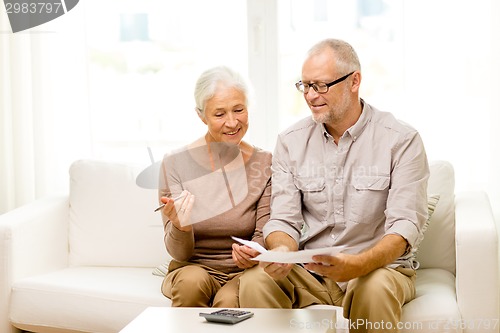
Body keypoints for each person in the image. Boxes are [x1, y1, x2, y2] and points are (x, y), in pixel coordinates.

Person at [239, 38, 429, 333]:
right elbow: (283, 219)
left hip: (375, 271)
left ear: (354, 81)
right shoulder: (290, 141)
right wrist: (281, 253)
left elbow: (404, 227)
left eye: (321, 85)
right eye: (305, 85)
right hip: (311, 274)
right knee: (255, 281)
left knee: (375, 287)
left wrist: (359, 265)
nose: (311, 95)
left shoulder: (401, 139)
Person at [158, 66, 272, 307]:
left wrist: (254, 251)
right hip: (192, 267)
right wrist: (181, 225)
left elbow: (264, 233)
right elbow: (179, 253)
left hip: (243, 272)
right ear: (201, 116)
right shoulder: (175, 163)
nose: (232, 122)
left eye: (239, 110)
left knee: (229, 301)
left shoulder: (265, 163)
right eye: (219, 114)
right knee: (191, 284)